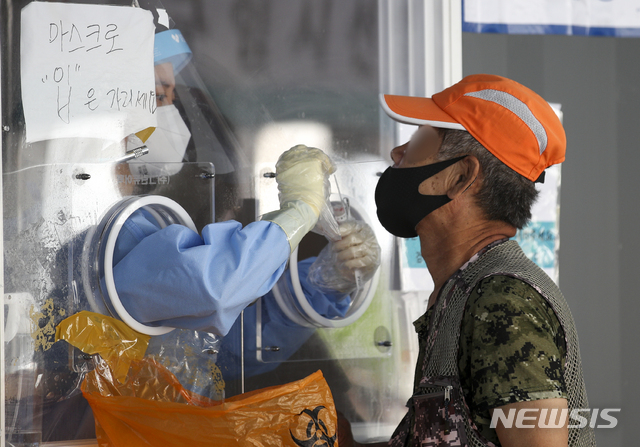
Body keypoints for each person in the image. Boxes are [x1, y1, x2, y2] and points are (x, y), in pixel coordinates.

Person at [340, 74, 595, 447]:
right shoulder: (464, 290)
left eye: (417, 143)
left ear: (460, 177)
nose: (398, 154)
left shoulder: (502, 301)